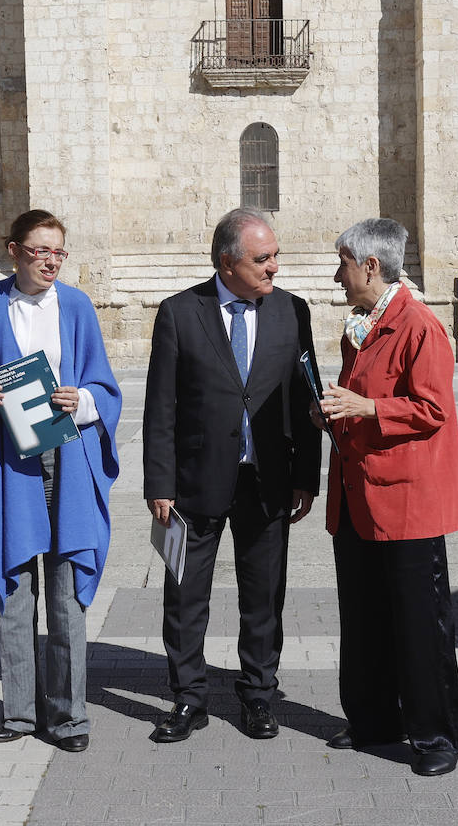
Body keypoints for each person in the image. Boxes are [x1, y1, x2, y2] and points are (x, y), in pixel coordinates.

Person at [142, 208, 321, 743]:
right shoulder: (180, 313)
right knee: (184, 593)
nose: (274, 267)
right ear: (227, 262)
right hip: (195, 483)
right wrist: (159, 483)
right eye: (262, 259)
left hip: (268, 478)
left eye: (275, 256)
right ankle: (188, 698)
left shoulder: (293, 311)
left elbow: (304, 394)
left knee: (264, 593)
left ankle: (259, 695)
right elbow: (161, 405)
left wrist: (306, 474)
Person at [0, 210, 121, 753]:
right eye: (39, 251)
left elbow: (103, 383)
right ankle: (21, 713)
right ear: (14, 251)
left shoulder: (75, 305)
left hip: (67, 457)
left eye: (58, 252)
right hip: (11, 459)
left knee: (66, 590)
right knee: (15, 586)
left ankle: (70, 717)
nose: (50, 261)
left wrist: (85, 401)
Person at [318, 217, 458, 777]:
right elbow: (358, 396)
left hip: (406, 501)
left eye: (342, 264)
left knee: (417, 621)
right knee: (363, 615)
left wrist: (369, 409)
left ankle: (435, 736)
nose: (338, 275)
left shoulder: (419, 326)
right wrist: (330, 409)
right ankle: (373, 719)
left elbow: (432, 409)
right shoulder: (360, 327)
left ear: (370, 266)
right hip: (358, 494)